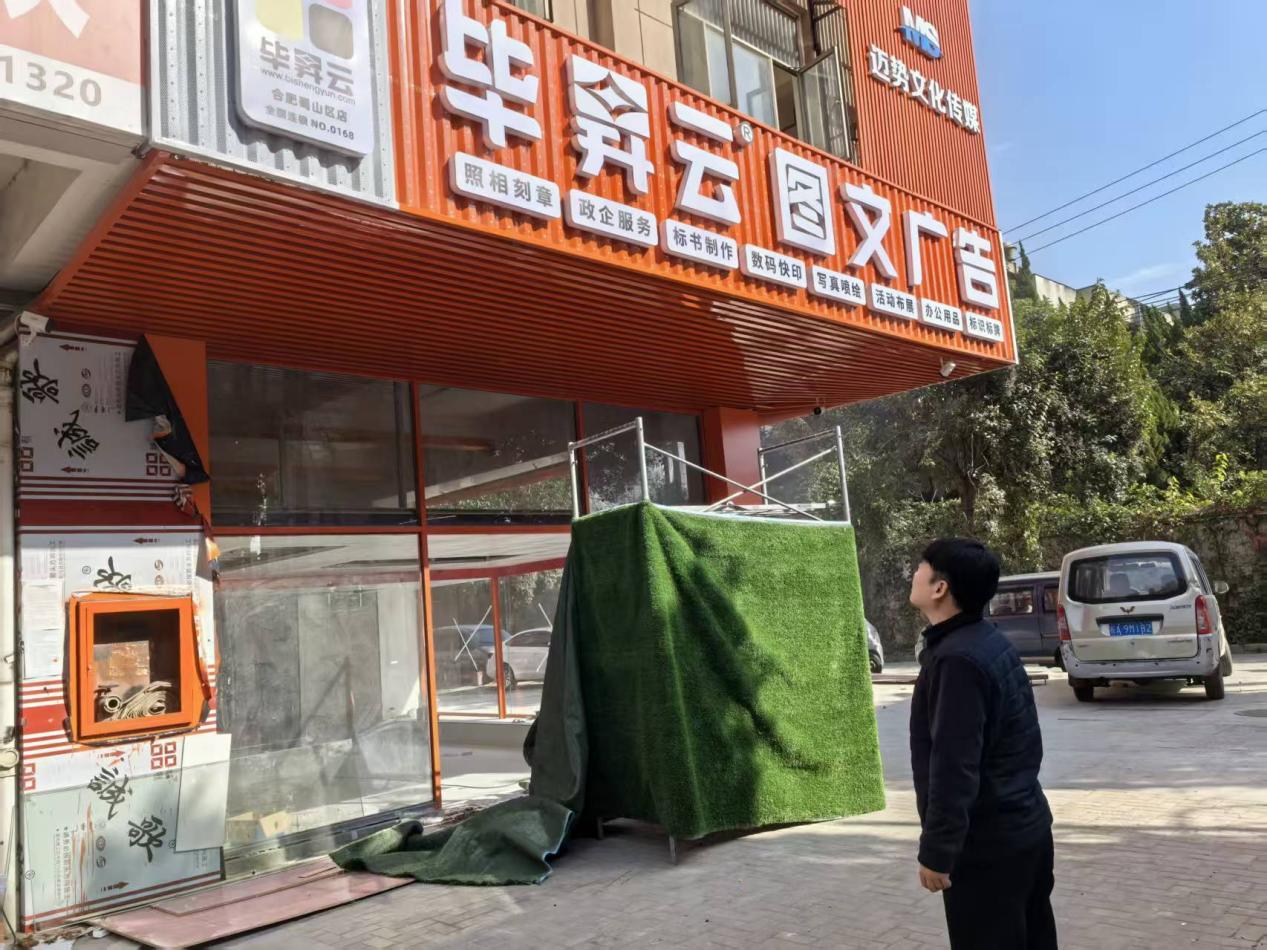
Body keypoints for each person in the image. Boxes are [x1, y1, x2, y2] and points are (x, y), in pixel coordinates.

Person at [908, 538, 1057, 950]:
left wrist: (938, 852)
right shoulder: (986, 640)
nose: (914, 574)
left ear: (940, 588)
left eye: (921, 567)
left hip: (989, 848)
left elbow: (954, 766)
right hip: (1025, 828)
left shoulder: (958, 661)